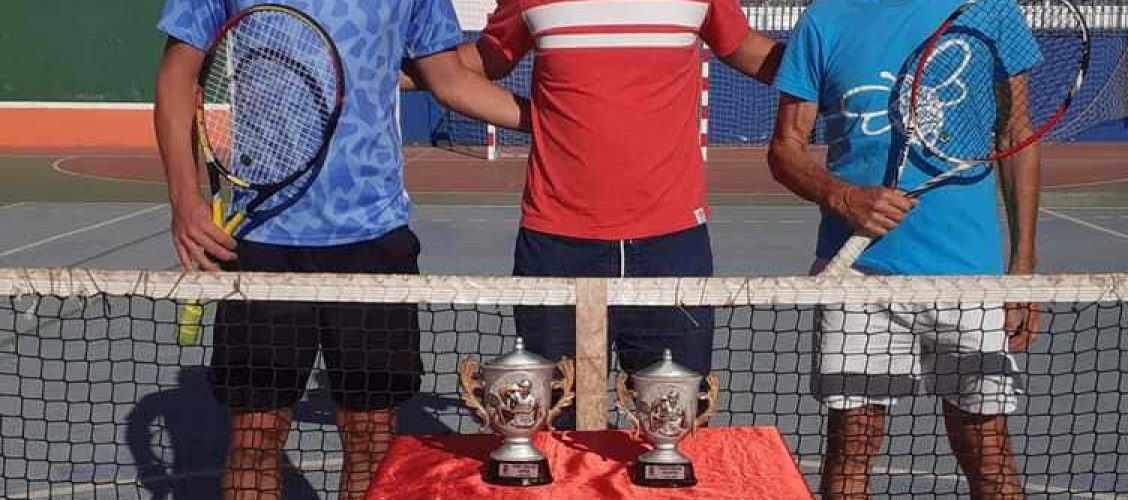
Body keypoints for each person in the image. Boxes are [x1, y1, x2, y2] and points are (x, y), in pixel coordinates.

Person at [154, 1, 529, 498]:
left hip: (374, 241)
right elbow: (176, 77)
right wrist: (185, 197)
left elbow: (450, 80)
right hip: (264, 244)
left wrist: (557, 122)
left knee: (371, 438)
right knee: (254, 438)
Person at [766, 0, 1041, 498]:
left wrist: (1021, 269)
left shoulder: (992, 11)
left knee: (988, 448)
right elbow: (785, 147)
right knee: (852, 445)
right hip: (857, 276)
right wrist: (843, 197)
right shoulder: (824, 20)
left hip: (971, 277)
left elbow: (1016, 134)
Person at [451, 0, 786, 389]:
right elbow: (483, 58)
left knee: (670, 424)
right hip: (557, 245)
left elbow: (745, 46)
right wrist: (384, 67)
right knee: (556, 420)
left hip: (673, 247)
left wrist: (839, 68)